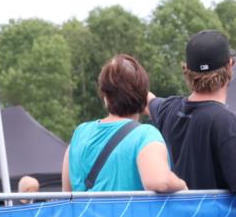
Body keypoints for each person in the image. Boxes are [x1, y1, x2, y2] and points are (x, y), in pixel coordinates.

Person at [147, 30, 236, 201]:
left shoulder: (169, 108)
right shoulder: (226, 122)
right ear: (230, 65)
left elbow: (147, 100)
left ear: (186, 70)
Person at [62, 54, 185, 194]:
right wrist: (183, 186)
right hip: (128, 216)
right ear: (144, 95)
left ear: (105, 96)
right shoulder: (145, 135)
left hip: (83, 216)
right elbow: (159, 181)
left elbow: (67, 194)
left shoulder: (80, 133)